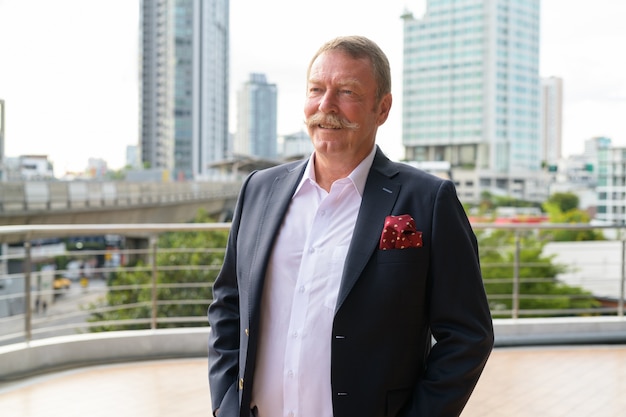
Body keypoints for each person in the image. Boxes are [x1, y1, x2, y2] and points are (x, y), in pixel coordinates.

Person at [208, 35, 494, 417]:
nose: (326, 106)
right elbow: (229, 306)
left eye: (347, 92)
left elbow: (468, 335)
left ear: (382, 108)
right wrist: (226, 404)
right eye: (316, 90)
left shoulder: (428, 200)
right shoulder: (259, 189)